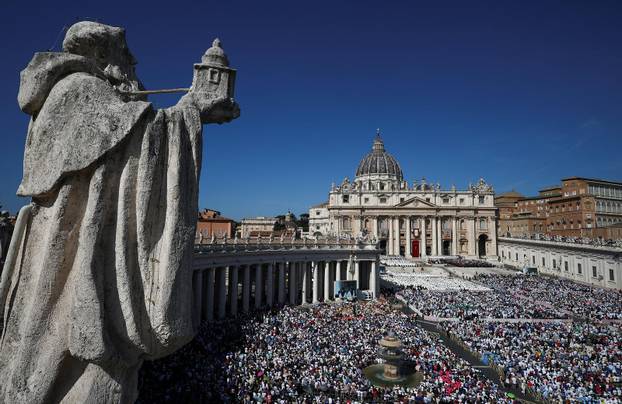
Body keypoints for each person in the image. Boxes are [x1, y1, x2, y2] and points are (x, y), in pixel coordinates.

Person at [0, 21, 238, 403]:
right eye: (128, 57)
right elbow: (138, 142)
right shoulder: (80, 90)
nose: (135, 66)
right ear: (103, 55)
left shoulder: (77, 95)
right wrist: (193, 108)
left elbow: (128, 138)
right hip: (73, 259)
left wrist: (188, 111)